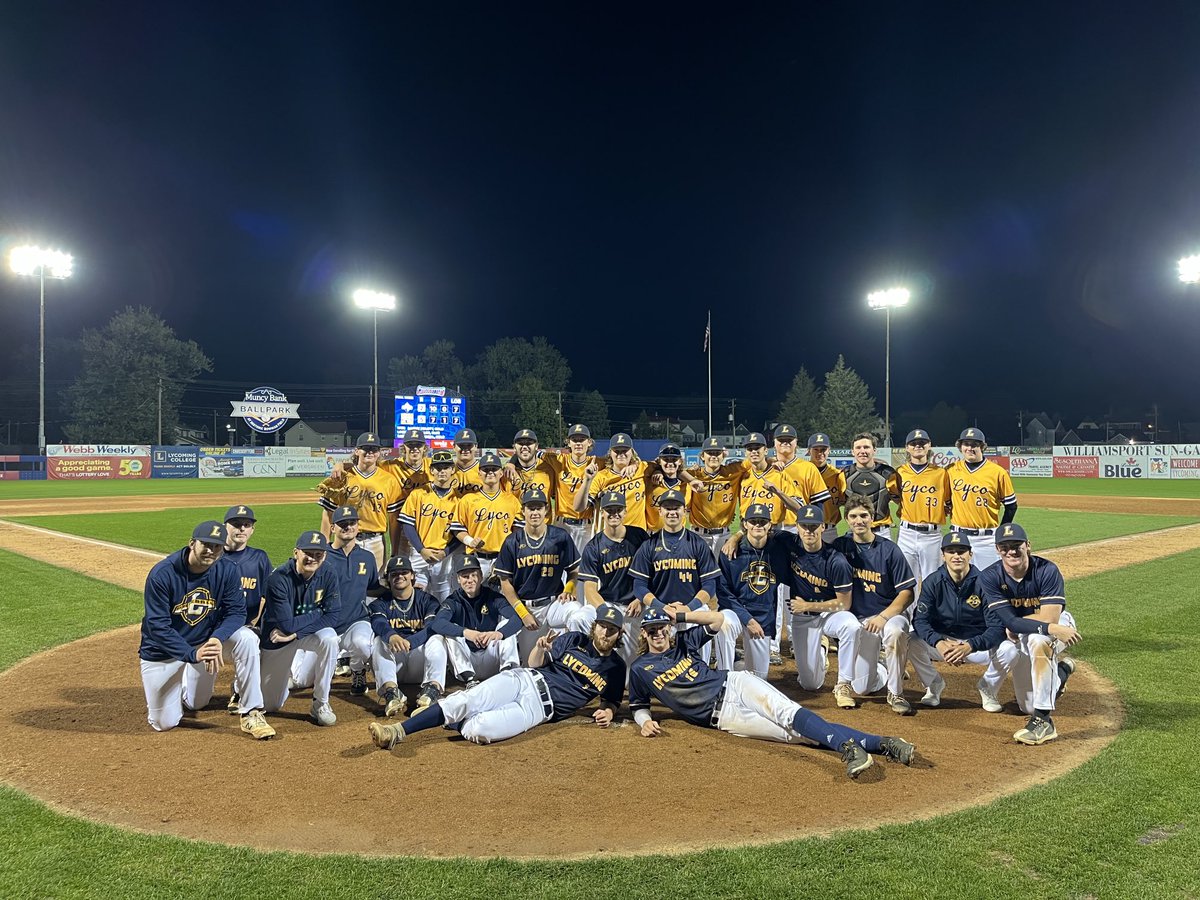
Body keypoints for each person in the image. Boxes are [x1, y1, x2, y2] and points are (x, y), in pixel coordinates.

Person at [629, 605, 915, 780]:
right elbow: (638, 704)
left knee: (788, 714)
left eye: (662, 628)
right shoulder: (641, 668)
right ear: (643, 634)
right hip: (724, 718)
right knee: (796, 734)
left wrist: (681, 615)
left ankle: (850, 750)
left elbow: (717, 620)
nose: (658, 634)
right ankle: (884, 743)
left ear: (669, 628)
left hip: (736, 685)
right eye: (651, 630)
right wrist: (644, 722)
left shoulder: (683, 643)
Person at [367, 603, 628, 749]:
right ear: (595, 627)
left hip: (538, 711)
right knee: (465, 703)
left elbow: (612, 700)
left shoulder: (616, 668)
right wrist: (539, 648)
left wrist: (609, 711)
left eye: (612, 630)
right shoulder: (575, 639)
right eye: (602, 626)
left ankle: (451, 716)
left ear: (619, 634)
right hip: (523, 679)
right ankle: (397, 732)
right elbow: (536, 664)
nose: (605, 633)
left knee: (480, 730)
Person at [138, 521, 274, 739]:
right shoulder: (162, 574)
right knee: (164, 723)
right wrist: (191, 654)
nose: (212, 551)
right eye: (206, 544)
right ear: (192, 543)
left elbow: (237, 613)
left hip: (204, 643)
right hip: (164, 652)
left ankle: (252, 711)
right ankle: (177, 683)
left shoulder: (227, 569)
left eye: (217, 546)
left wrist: (216, 639)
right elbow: (157, 627)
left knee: (246, 639)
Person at [834, 497, 941, 714]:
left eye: (864, 515)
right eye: (853, 516)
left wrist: (883, 617)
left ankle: (896, 692)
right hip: (861, 621)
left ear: (872, 518)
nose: (859, 520)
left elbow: (907, 594)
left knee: (895, 633)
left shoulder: (889, 549)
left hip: (889, 616)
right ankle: (883, 669)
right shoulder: (841, 547)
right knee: (862, 688)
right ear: (847, 520)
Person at [980, 523, 1081, 745]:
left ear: (1028, 546)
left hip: (1059, 626)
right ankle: (1062, 672)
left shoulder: (1047, 570)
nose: (1011, 551)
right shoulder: (990, 577)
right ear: (998, 549)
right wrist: (1019, 624)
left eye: (1016, 545)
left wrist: (1026, 625)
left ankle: (1044, 721)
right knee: (1027, 705)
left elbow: (1050, 619)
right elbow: (1008, 621)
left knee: (1039, 640)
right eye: (1005, 547)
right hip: (1032, 629)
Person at [912, 530, 1020, 712]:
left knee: (1010, 650)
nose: (956, 556)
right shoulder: (933, 582)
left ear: (970, 554)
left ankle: (988, 687)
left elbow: (997, 627)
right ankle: (933, 684)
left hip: (978, 646)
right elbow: (920, 620)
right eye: (951, 551)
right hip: (944, 644)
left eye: (961, 551)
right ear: (942, 555)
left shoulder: (986, 583)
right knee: (910, 641)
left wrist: (970, 645)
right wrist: (938, 642)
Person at [290, 506, 378, 698]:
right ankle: (298, 658)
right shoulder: (321, 557)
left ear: (358, 526)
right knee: (302, 681)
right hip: (324, 627)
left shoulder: (367, 557)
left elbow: (373, 587)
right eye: (342, 524)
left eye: (351, 523)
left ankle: (357, 670)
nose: (348, 527)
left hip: (355, 622)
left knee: (364, 644)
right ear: (332, 528)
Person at [495, 487, 590, 664]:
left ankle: (579, 662)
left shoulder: (560, 536)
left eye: (539, 508)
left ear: (546, 510)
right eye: (531, 508)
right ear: (523, 511)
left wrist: (569, 588)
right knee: (531, 665)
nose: (535, 512)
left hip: (555, 604)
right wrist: (523, 614)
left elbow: (574, 571)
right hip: (526, 607)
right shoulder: (512, 542)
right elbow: (505, 584)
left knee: (579, 614)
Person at [784, 504, 866, 708]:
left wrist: (808, 604)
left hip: (830, 615)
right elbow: (759, 528)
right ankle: (821, 647)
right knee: (810, 684)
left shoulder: (836, 560)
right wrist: (735, 536)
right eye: (804, 526)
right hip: (804, 619)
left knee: (851, 625)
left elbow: (844, 604)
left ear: (822, 527)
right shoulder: (788, 544)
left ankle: (843, 684)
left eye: (814, 526)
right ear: (797, 527)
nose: (809, 531)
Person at [259, 531, 343, 726]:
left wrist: (297, 633)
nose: (312, 558)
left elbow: (333, 615)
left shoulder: (328, 573)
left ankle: (321, 702)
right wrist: (318, 612)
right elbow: (286, 625)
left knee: (330, 638)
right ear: (296, 552)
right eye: (308, 553)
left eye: (318, 554)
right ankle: (245, 684)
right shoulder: (278, 578)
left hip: (298, 634)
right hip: (277, 638)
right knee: (270, 705)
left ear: (325, 556)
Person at [713, 503, 791, 678]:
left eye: (762, 522)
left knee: (758, 678)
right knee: (724, 624)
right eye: (753, 521)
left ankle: (738, 664)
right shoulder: (730, 551)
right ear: (745, 523)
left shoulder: (778, 550)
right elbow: (723, 593)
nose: (758, 525)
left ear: (769, 525)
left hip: (762, 616)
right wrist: (747, 620)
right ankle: (724, 677)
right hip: (735, 612)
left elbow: (801, 534)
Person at [367, 555, 449, 717]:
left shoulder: (427, 600)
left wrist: (410, 642)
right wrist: (391, 636)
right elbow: (378, 623)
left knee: (437, 638)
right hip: (395, 664)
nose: (400, 577)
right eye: (394, 574)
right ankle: (391, 691)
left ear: (412, 575)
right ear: (388, 578)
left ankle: (432, 689)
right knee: (378, 641)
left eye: (404, 572)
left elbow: (432, 627)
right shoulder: (379, 603)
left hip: (420, 661)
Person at [578, 490, 652, 664]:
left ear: (625, 512)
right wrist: (607, 612)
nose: (614, 514)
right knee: (579, 617)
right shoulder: (594, 546)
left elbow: (653, 575)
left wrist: (641, 599)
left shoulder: (639, 536)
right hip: (609, 604)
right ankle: (585, 664)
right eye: (609, 510)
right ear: (602, 513)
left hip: (637, 605)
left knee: (629, 671)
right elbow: (589, 589)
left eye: (618, 510)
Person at [629, 489, 720, 628]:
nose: (672, 512)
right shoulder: (648, 545)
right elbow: (639, 586)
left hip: (693, 610)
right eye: (667, 508)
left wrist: (688, 608)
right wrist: (662, 607)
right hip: (659, 610)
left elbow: (710, 584)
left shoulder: (698, 543)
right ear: (660, 511)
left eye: (676, 508)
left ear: (685, 510)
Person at [315, 431, 402, 569]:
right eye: (365, 448)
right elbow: (328, 513)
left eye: (374, 449)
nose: (370, 452)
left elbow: (393, 519)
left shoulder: (389, 480)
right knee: (342, 581)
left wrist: (395, 551)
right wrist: (324, 545)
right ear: (356, 451)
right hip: (345, 537)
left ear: (379, 452)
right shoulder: (342, 477)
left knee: (375, 586)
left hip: (376, 540)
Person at [431, 557, 522, 686]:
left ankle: (508, 674)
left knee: (504, 626)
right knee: (451, 632)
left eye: (474, 575)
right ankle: (470, 679)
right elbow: (437, 623)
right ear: (458, 579)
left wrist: (499, 634)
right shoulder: (452, 601)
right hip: (467, 660)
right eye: (465, 576)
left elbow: (517, 619)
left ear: (480, 576)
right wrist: (466, 632)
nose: (470, 580)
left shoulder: (494, 597)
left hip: (490, 655)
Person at [220, 504, 272, 715]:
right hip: (215, 627)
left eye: (246, 525)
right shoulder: (214, 555)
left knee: (252, 641)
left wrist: (259, 622)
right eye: (236, 524)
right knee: (195, 702)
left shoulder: (259, 558)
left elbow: (269, 594)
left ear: (252, 530)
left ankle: (240, 692)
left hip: (245, 627)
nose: (241, 529)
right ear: (226, 527)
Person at [946, 427, 1018, 570]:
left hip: (987, 539)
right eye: (966, 444)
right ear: (960, 447)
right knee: (959, 583)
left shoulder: (997, 472)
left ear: (982, 447)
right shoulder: (951, 470)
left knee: (989, 583)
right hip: (958, 537)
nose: (970, 448)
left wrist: (1001, 532)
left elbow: (1011, 506)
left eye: (975, 444)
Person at [890, 429, 951, 595]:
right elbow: (895, 496)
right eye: (914, 444)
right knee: (907, 580)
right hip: (906, 533)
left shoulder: (941, 473)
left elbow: (948, 501)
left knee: (933, 580)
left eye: (922, 443)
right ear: (907, 448)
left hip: (931, 535)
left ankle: (930, 618)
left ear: (929, 446)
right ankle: (908, 619)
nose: (918, 446)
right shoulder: (899, 473)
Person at [399, 449, 464, 597]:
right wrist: (421, 549)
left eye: (446, 467)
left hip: (444, 556)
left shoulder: (459, 500)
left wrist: (445, 552)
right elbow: (407, 525)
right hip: (418, 553)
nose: (442, 471)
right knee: (415, 597)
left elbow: (459, 532)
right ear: (432, 470)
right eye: (438, 468)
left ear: (452, 469)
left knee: (443, 598)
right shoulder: (418, 494)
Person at [452, 451, 521, 584]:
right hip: (477, 559)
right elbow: (457, 528)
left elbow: (519, 530)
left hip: (503, 559)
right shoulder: (468, 500)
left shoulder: (512, 501)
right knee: (476, 600)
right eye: (486, 470)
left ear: (501, 473)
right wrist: (470, 541)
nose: (490, 472)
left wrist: (509, 552)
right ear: (479, 474)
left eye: (494, 469)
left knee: (503, 600)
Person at [680, 436, 746, 558]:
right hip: (698, 534)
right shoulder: (693, 474)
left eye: (717, 453)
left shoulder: (733, 472)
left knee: (723, 573)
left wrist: (773, 460)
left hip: (723, 534)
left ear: (723, 455)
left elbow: (756, 461)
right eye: (710, 453)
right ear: (702, 456)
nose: (714, 456)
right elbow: (671, 469)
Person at [576, 432, 653, 530]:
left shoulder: (642, 468)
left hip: (637, 534)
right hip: (610, 535)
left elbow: (661, 464)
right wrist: (587, 480)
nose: (621, 454)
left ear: (632, 452)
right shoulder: (601, 476)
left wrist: (639, 466)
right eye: (617, 450)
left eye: (625, 450)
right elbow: (580, 507)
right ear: (610, 453)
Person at [545, 423, 601, 550]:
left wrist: (633, 464)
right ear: (568, 443)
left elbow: (622, 460)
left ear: (589, 443)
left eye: (582, 439)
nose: (578, 443)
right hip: (561, 524)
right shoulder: (558, 460)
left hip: (585, 526)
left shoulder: (598, 462)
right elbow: (529, 452)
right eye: (574, 440)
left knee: (582, 567)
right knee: (558, 567)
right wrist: (511, 464)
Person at [843, 432, 896, 540]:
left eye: (866, 447)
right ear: (853, 451)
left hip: (881, 532)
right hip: (855, 531)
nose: (862, 451)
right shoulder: (844, 475)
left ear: (874, 450)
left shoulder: (888, 473)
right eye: (858, 448)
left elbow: (900, 500)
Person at [806, 432, 846, 545]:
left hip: (830, 530)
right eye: (816, 449)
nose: (820, 453)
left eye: (823, 449)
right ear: (809, 450)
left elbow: (844, 501)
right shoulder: (801, 472)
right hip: (805, 529)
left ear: (829, 450)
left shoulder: (837, 475)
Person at [644, 443, 691, 533]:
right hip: (653, 535)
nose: (670, 463)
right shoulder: (649, 481)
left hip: (679, 535)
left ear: (680, 461)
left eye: (674, 459)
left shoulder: (687, 485)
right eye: (666, 459)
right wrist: (656, 470)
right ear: (659, 461)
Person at [450, 427, 484, 491]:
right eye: (461, 445)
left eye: (469, 445)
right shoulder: (447, 471)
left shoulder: (484, 471)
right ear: (454, 447)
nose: (465, 449)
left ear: (476, 446)